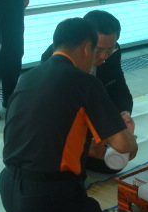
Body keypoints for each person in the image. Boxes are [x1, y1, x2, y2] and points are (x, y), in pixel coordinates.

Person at [0, 18, 138, 212]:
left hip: (9, 190)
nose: (99, 59)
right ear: (86, 48)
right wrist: (131, 137)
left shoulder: (27, 78)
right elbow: (122, 145)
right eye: (97, 51)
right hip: (47, 198)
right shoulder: (84, 82)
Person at [41, 10, 135, 173]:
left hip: (91, 119)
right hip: (63, 129)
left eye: (110, 49)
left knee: (112, 163)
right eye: (98, 50)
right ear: (84, 43)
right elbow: (53, 116)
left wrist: (124, 114)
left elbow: (118, 86)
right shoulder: (55, 59)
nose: (104, 56)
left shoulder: (112, 52)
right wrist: (88, 141)